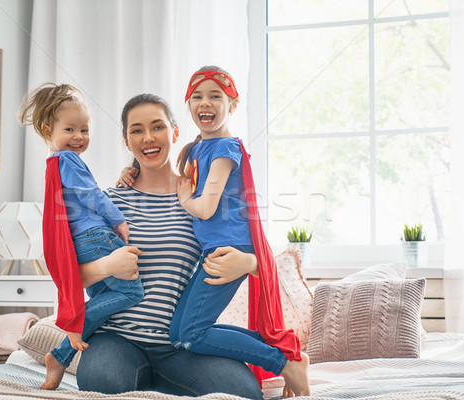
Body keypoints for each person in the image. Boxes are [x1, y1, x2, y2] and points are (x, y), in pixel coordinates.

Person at [74, 93, 265, 399]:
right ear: (126, 141)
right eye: (136, 130)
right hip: (116, 338)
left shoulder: (199, 198)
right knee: (102, 383)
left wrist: (249, 263)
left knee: (244, 392)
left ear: (175, 132)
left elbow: (253, 249)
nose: (148, 137)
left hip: (180, 343)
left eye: (157, 127)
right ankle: (146, 382)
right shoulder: (110, 201)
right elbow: (71, 273)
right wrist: (109, 266)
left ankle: (159, 383)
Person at [169, 66, 310, 397]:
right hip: (212, 248)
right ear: (188, 104)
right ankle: (288, 354)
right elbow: (170, 181)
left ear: (232, 104)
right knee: (178, 335)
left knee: (192, 334)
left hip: (228, 249)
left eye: (216, 96)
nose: (206, 103)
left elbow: (204, 207)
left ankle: (283, 363)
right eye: (198, 96)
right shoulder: (195, 149)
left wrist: (186, 198)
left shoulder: (224, 149)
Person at [17, 83, 144, 390]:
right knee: (132, 293)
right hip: (96, 236)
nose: (78, 137)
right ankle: (66, 340)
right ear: (48, 130)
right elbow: (91, 194)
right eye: (70, 129)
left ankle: (60, 356)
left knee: (104, 298)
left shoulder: (54, 163)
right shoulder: (67, 160)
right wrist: (119, 219)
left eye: (84, 130)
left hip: (82, 242)